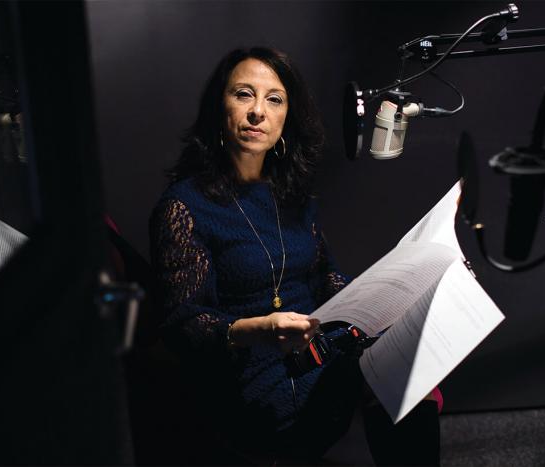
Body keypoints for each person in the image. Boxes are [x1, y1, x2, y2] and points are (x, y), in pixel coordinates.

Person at [149, 46, 440, 465]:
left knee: (412, 373)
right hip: (253, 375)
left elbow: (327, 277)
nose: (257, 112)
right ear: (219, 106)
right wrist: (256, 329)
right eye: (243, 94)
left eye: (274, 99)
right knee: (391, 386)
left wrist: (379, 303)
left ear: (286, 119)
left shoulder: (291, 195)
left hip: (322, 349)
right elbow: (183, 324)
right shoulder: (183, 207)